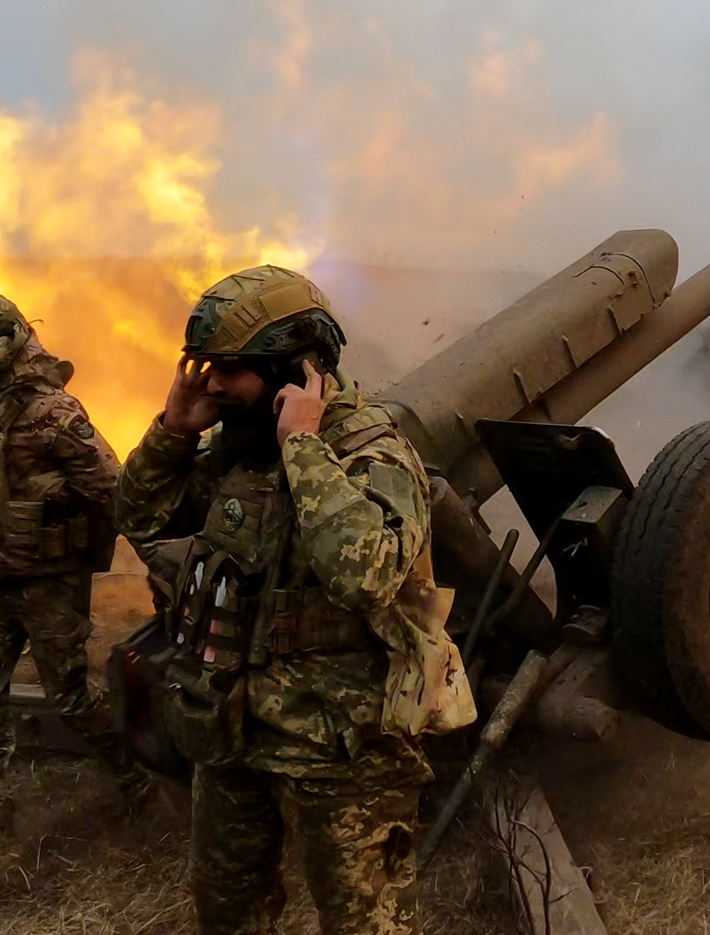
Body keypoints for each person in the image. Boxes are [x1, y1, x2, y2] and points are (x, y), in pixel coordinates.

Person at [113, 266, 470, 935]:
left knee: (366, 924)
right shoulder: (240, 452)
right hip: (231, 725)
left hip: (341, 747)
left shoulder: (372, 453)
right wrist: (173, 433)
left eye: (230, 369)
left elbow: (363, 576)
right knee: (228, 910)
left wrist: (302, 447)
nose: (212, 384)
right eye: (206, 368)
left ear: (294, 369)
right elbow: (139, 518)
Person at [0, 293, 146, 833]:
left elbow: (113, 491)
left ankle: (136, 776)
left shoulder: (55, 414)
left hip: (49, 587)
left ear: (1, 349)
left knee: (70, 698)